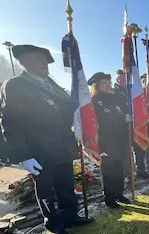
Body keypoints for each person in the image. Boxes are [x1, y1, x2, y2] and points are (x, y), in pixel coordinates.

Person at [0, 45, 93, 234]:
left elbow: (69, 110)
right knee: (46, 192)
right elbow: (11, 122)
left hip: (63, 146)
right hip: (39, 150)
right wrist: (24, 156)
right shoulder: (15, 85)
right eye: (37, 58)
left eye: (45, 59)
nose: (44, 62)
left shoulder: (54, 86)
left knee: (66, 186)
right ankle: (54, 225)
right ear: (23, 61)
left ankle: (71, 217)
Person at [88, 72, 131, 208]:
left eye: (109, 83)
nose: (108, 85)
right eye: (104, 83)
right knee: (108, 170)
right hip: (105, 141)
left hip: (119, 139)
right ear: (97, 85)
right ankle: (109, 198)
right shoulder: (94, 100)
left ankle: (119, 193)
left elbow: (125, 112)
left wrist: (127, 117)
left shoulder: (117, 98)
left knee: (118, 168)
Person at [114, 70, 149, 180]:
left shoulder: (131, 90)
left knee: (139, 149)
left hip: (136, 125)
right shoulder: (113, 92)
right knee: (127, 153)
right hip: (122, 127)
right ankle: (128, 175)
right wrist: (123, 117)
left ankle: (141, 170)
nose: (122, 81)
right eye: (119, 79)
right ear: (116, 80)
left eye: (124, 78)